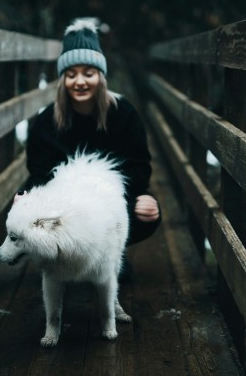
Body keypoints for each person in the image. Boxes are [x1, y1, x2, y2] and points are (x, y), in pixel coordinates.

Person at [16, 17, 161, 255]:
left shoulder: (124, 113)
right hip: (64, 212)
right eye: (71, 74)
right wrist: (29, 201)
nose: (80, 81)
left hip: (111, 205)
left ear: (100, 76)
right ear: (63, 80)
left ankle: (110, 255)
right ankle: (68, 258)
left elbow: (139, 167)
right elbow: (39, 173)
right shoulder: (45, 123)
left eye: (88, 73)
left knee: (147, 212)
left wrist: (133, 195)